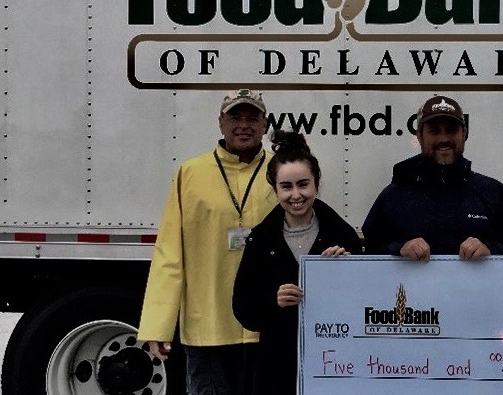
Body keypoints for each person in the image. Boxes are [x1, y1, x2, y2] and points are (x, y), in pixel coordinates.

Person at [138, 89, 275, 395]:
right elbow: (169, 253)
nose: (243, 125)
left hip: (266, 326)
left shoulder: (281, 172)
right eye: (235, 117)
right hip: (208, 327)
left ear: (265, 124)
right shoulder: (190, 174)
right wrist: (158, 325)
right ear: (220, 122)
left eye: (252, 118)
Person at [232, 130, 361, 395]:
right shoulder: (261, 239)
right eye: (286, 186)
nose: (296, 195)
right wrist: (273, 300)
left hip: (334, 363)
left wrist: (348, 272)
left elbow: (364, 304)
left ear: (316, 184)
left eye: (303, 184)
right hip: (277, 368)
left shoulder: (343, 236)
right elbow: (243, 308)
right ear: (275, 189)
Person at [362, 94, 503, 260]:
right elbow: (368, 253)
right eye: (434, 131)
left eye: (451, 130)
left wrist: (491, 250)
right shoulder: (394, 195)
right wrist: (399, 248)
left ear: (464, 134)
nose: (444, 139)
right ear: (419, 137)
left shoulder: (494, 193)